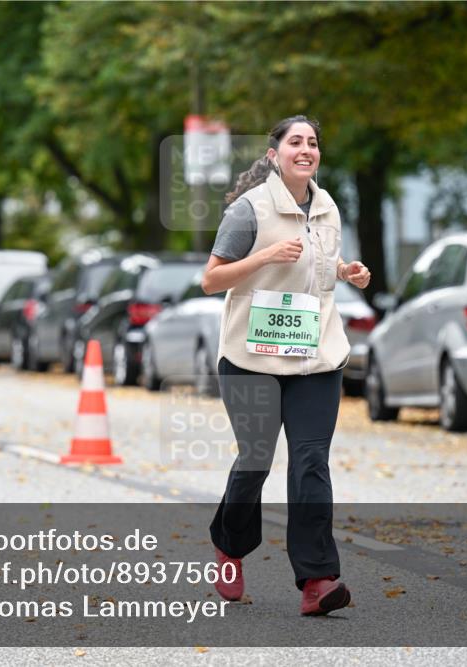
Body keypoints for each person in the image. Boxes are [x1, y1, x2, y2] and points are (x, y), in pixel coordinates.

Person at [201, 116, 371, 616]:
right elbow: (211, 280)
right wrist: (265, 256)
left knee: (311, 460)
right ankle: (230, 547)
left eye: (312, 142)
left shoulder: (328, 207)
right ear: (274, 155)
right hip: (251, 357)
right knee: (256, 459)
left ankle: (317, 580)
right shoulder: (248, 210)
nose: (306, 149)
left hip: (315, 355)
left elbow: (318, 266)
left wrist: (346, 271)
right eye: (295, 141)